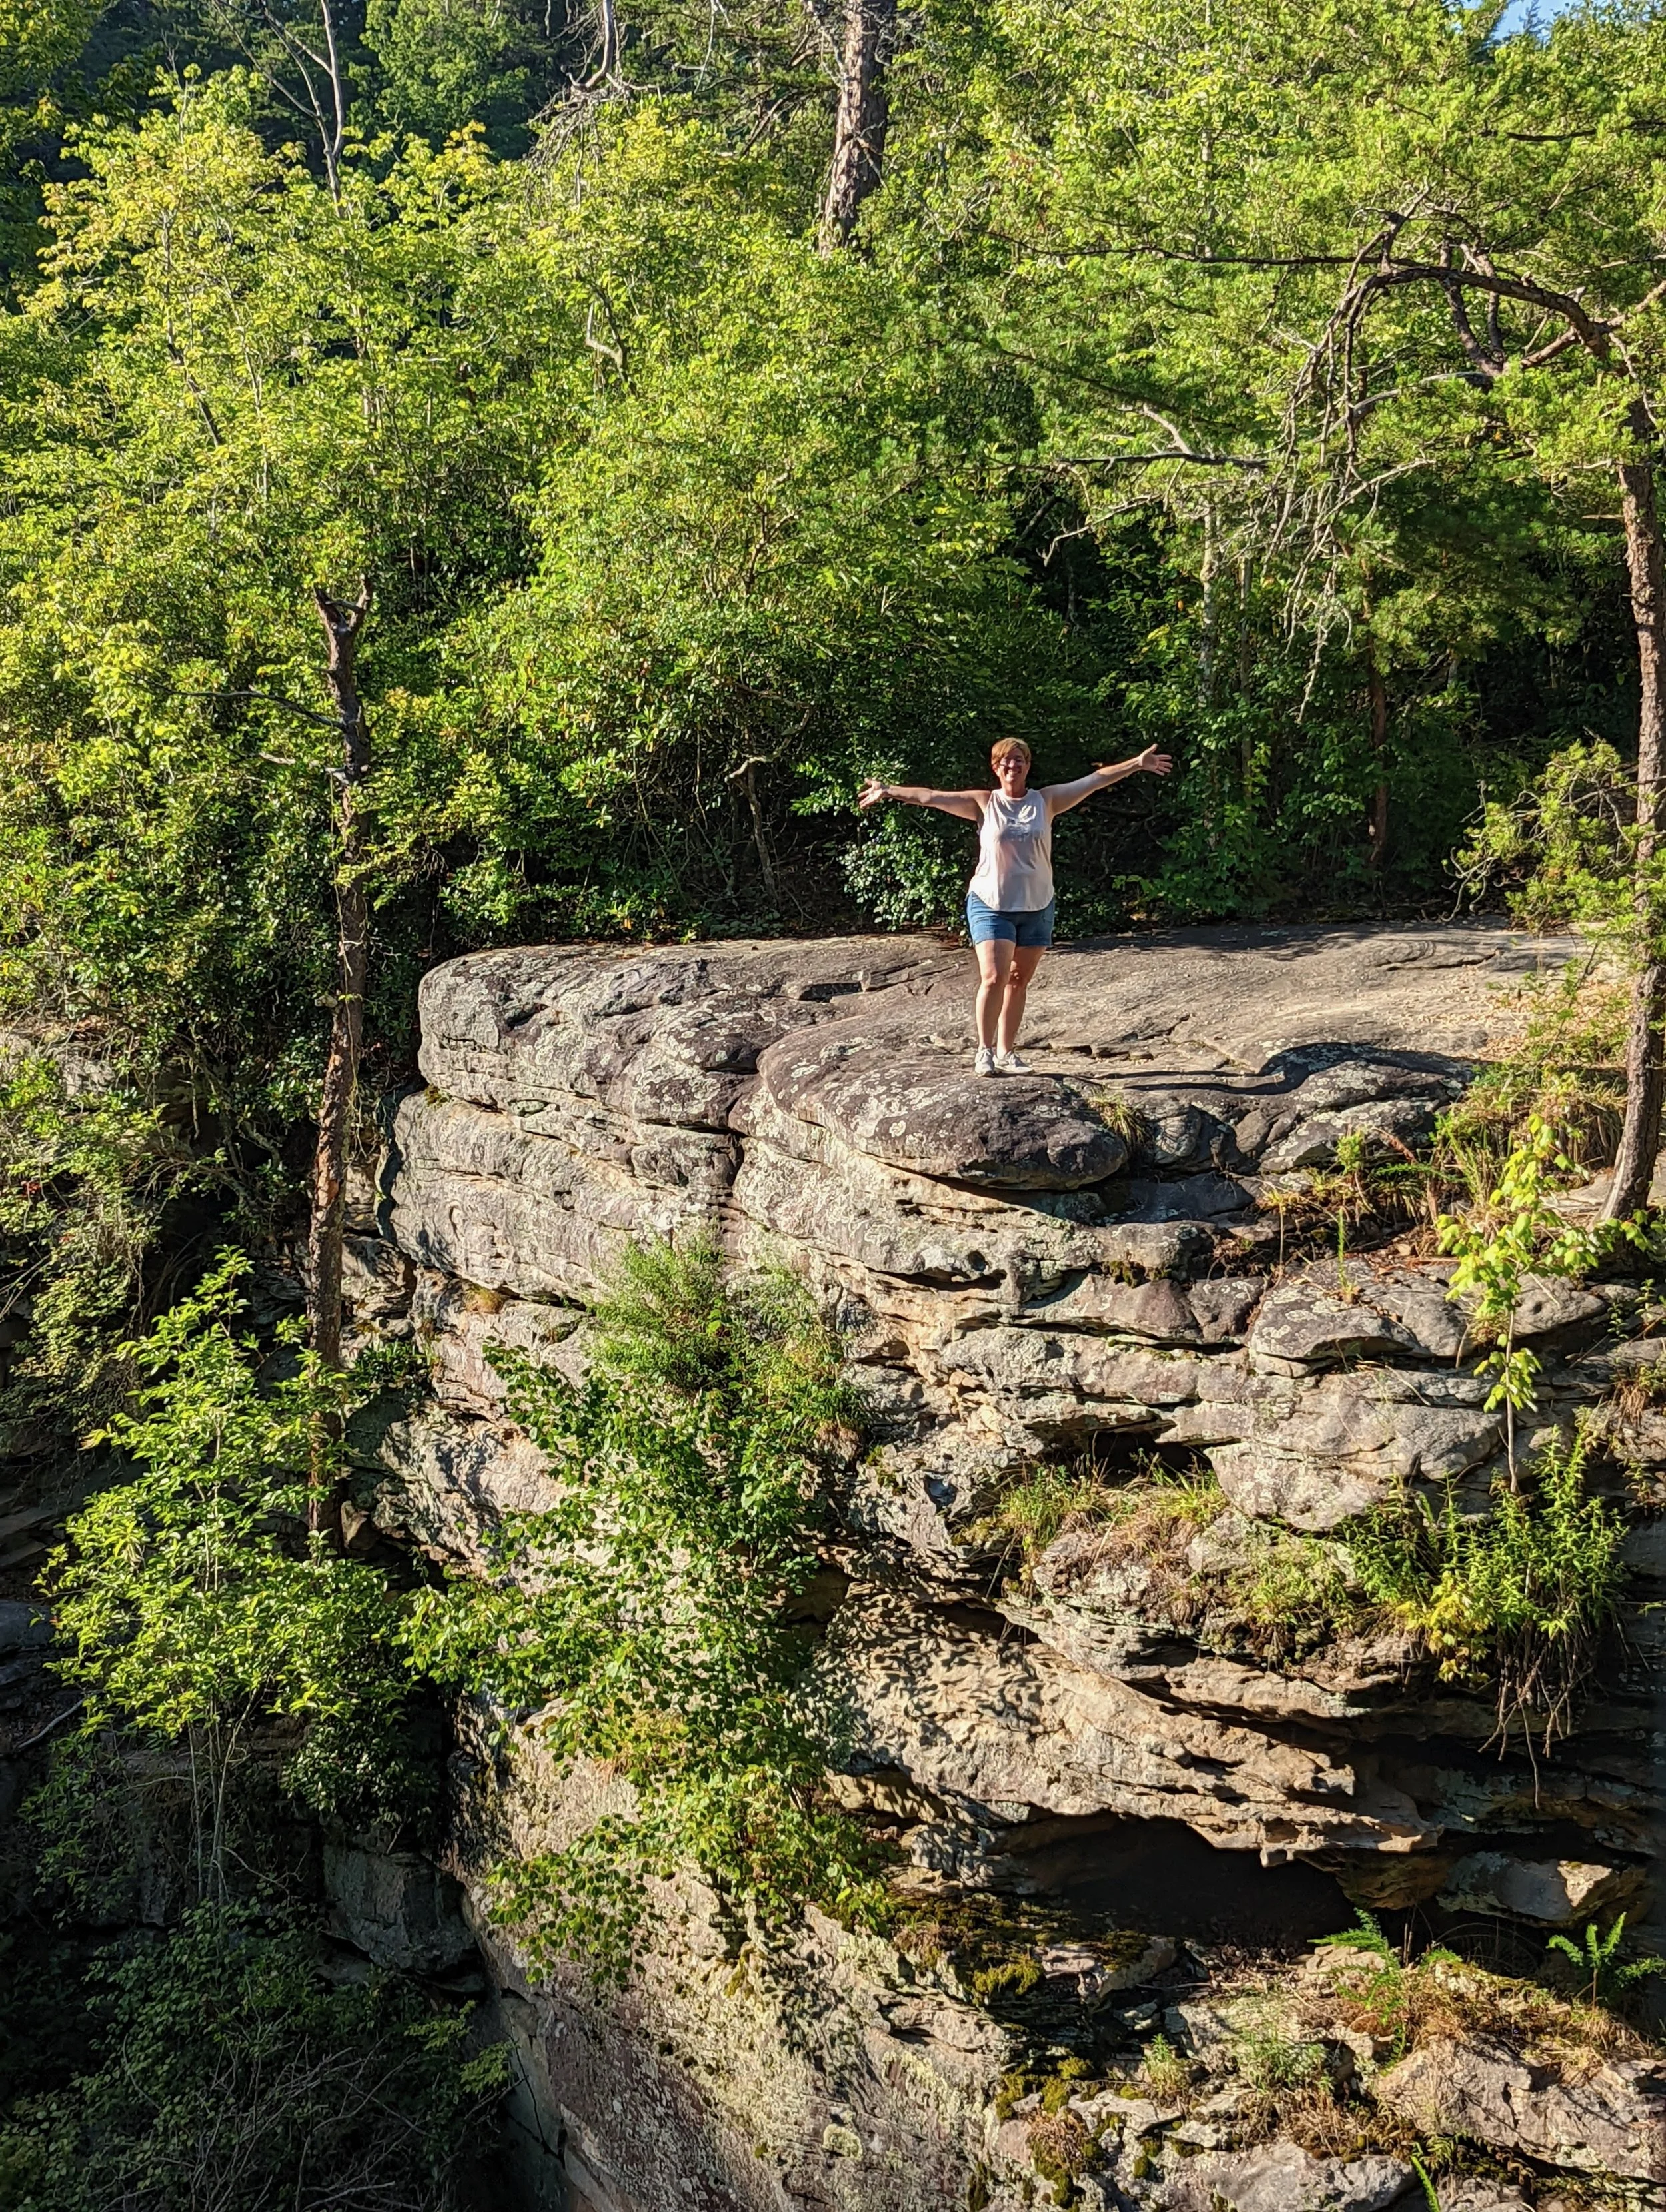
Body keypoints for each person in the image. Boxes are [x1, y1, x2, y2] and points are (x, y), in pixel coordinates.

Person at [857, 738, 1173, 1076]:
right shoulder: (983, 802)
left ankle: (1008, 1053)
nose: (1013, 765)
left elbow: (1094, 781)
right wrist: (889, 790)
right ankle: (985, 1051)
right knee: (994, 977)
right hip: (990, 903)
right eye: (1005, 760)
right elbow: (930, 797)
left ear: (1027, 766)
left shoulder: (1046, 800)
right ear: (996, 768)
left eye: (1019, 759)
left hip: (1037, 905)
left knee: (1018, 980)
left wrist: (1136, 764)